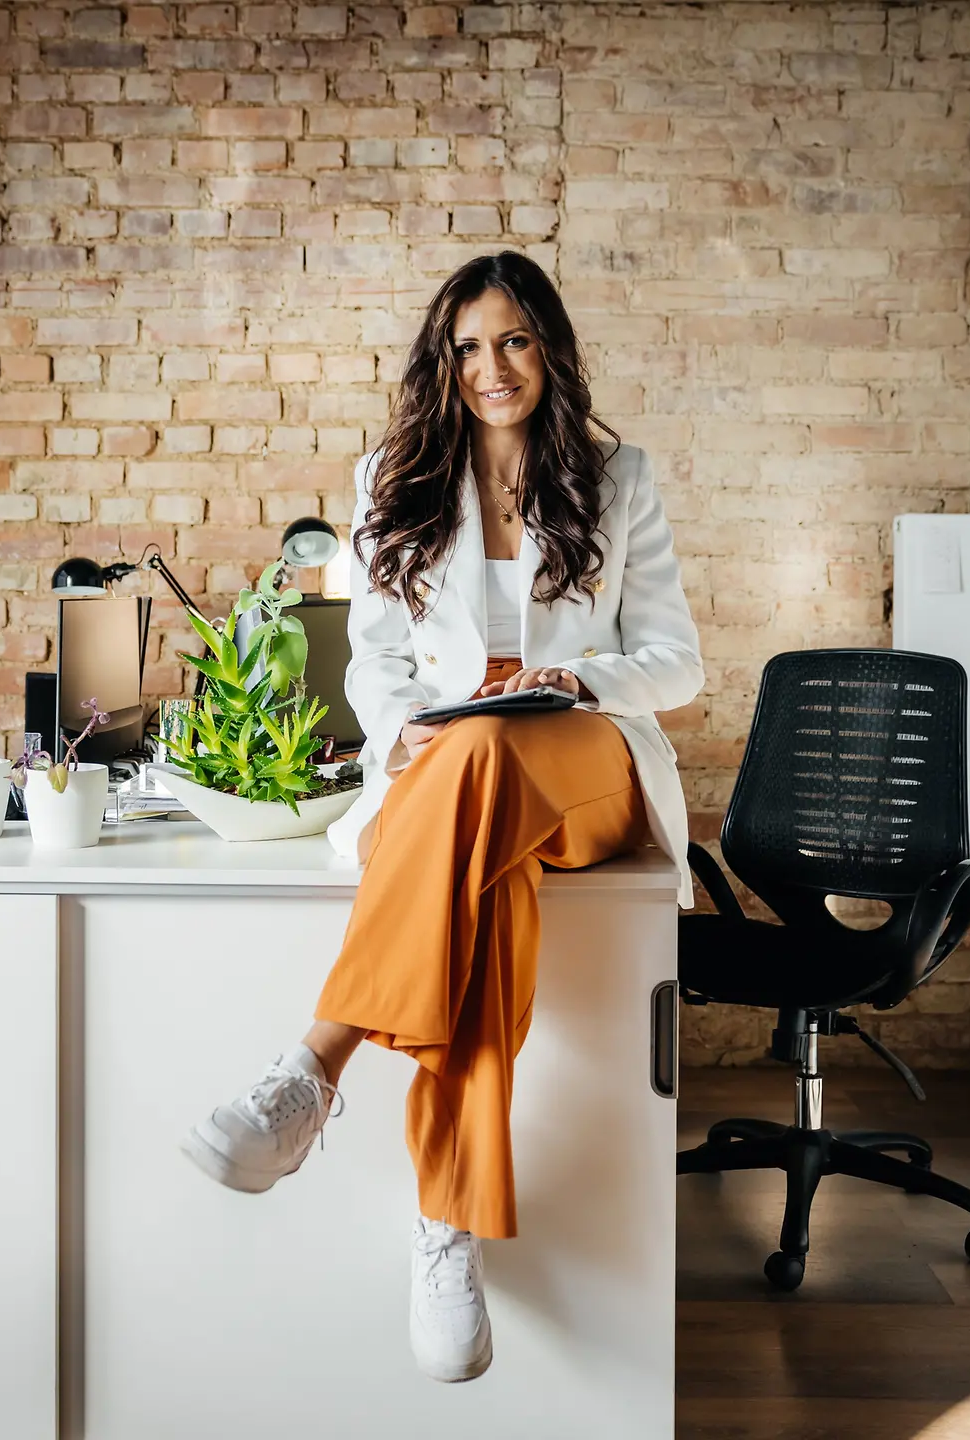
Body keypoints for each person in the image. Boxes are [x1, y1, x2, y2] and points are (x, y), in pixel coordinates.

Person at [181, 251, 703, 1383]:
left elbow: (677, 663)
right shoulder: (395, 476)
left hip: (588, 763)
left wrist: (581, 680)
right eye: (468, 347)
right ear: (444, 360)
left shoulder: (618, 478)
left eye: (513, 340)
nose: (491, 367)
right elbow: (372, 662)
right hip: (456, 775)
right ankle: (447, 1223)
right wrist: (401, 729)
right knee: (486, 876)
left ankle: (317, 1064)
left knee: (491, 755)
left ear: (548, 348)